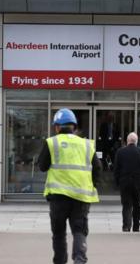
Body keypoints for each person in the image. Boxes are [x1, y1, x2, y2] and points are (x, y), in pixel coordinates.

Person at [38, 108, 101, 264]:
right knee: (79, 230)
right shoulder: (86, 144)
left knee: (59, 232)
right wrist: (93, 184)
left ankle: (60, 261)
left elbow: (42, 166)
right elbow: (98, 167)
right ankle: (80, 259)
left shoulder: (51, 143)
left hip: (58, 197)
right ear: (74, 126)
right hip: (81, 196)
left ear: (57, 127)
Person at [113, 132, 140, 232]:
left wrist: (117, 183)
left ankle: (126, 226)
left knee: (126, 205)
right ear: (136, 141)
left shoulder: (120, 152)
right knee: (137, 205)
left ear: (127, 141)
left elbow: (116, 169)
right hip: (139, 184)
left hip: (125, 183)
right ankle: (136, 227)